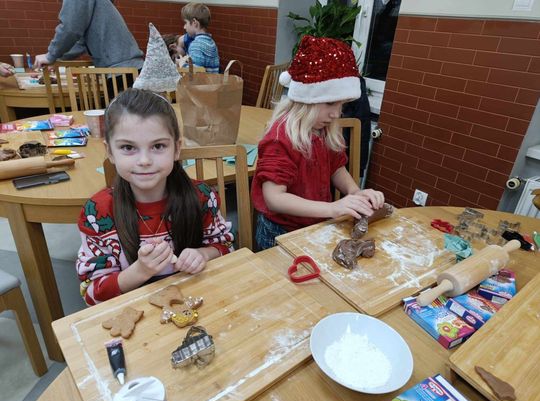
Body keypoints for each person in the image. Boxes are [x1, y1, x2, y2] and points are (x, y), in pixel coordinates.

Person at [76, 89, 234, 305]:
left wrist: (203, 255)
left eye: (158, 146)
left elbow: (226, 248)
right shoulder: (98, 212)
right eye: (128, 147)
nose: (144, 160)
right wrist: (140, 271)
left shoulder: (202, 197)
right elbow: (91, 294)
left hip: (199, 300)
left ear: (176, 149)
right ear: (110, 152)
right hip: (135, 314)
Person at [251, 35, 385, 250]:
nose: (336, 114)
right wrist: (332, 208)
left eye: (341, 105)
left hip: (314, 226)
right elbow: (274, 198)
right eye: (330, 103)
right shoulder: (280, 137)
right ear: (306, 99)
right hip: (280, 234)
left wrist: (355, 192)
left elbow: (336, 168)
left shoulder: (324, 129)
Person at [33, 0, 144, 71]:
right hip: (129, 68)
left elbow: (70, 28)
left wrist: (50, 56)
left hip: (120, 71)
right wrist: (57, 58)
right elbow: (80, 42)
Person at [178, 2, 220, 73]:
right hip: (211, 82)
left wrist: (181, 63)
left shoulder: (196, 45)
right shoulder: (211, 42)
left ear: (194, 22)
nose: (184, 27)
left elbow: (195, 72)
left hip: (203, 83)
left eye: (186, 23)